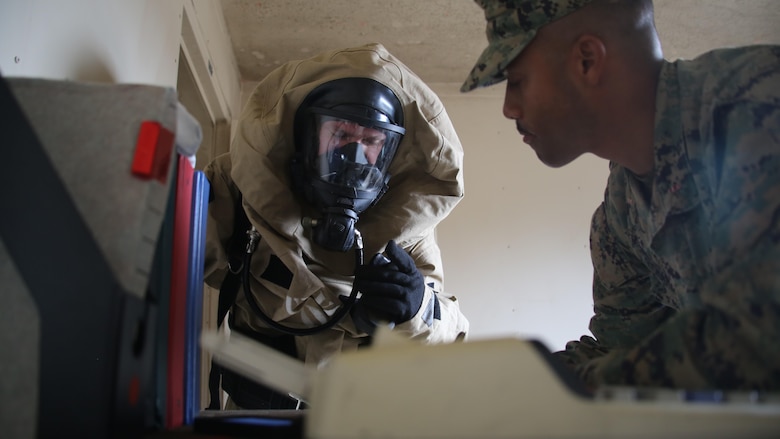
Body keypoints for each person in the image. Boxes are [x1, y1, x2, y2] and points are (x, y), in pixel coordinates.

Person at [462, 0, 780, 391]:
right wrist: (495, 385)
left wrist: (568, 388)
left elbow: (757, 335)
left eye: (517, 80)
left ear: (587, 61)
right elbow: (621, 347)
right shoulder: (622, 214)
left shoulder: (757, 103)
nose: (510, 109)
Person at [203, 42, 470, 409]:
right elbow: (166, 264)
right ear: (309, 136)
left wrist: (418, 306)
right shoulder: (241, 187)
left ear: (390, 150)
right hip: (259, 417)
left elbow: (451, 338)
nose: (355, 155)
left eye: (372, 141)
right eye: (342, 136)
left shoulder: (408, 227)